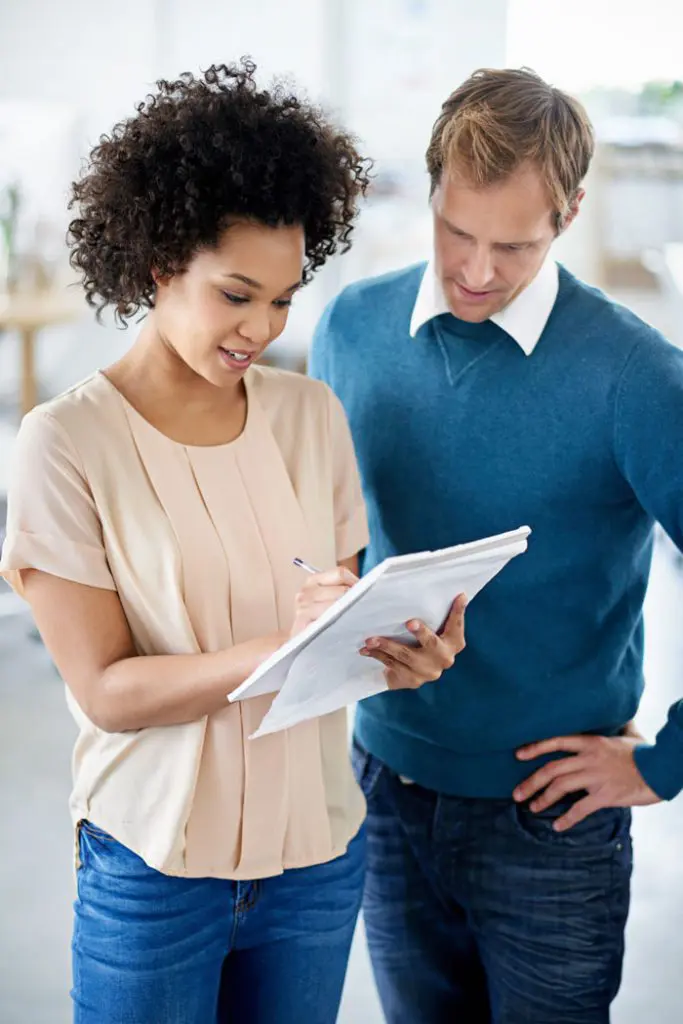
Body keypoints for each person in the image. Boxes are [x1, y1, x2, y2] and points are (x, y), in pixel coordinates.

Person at [0, 61, 468, 1024]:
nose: (263, 327)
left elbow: (330, 629)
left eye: (285, 299)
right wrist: (281, 651)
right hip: (155, 873)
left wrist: (396, 652)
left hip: (316, 859)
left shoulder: (310, 416)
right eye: (236, 294)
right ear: (160, 260)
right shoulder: (66, 441)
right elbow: (106, 691)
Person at [310, 66, 683, 1023]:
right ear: (428, 187)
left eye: (512, 245)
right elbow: (326, 538)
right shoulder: (351, 329)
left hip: (550, 819)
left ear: (568, 214)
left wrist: (664, 762)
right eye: (455, 231)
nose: (475, 271)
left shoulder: (635, 376)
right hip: (383, 790)